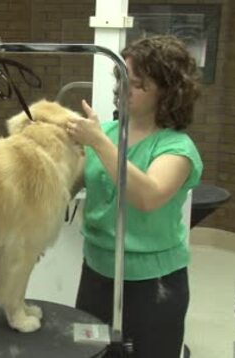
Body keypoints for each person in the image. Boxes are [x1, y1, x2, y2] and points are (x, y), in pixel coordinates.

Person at [65, 35, 204, 358]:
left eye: (138, 84)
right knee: (90, 353)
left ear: (168, 93)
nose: (124, 89)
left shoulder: (177, 148)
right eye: (123, 79)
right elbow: (66, 187)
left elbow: (147, 196)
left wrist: (98, 142)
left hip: (153, 284)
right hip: (96, 274)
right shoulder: (108, 134)